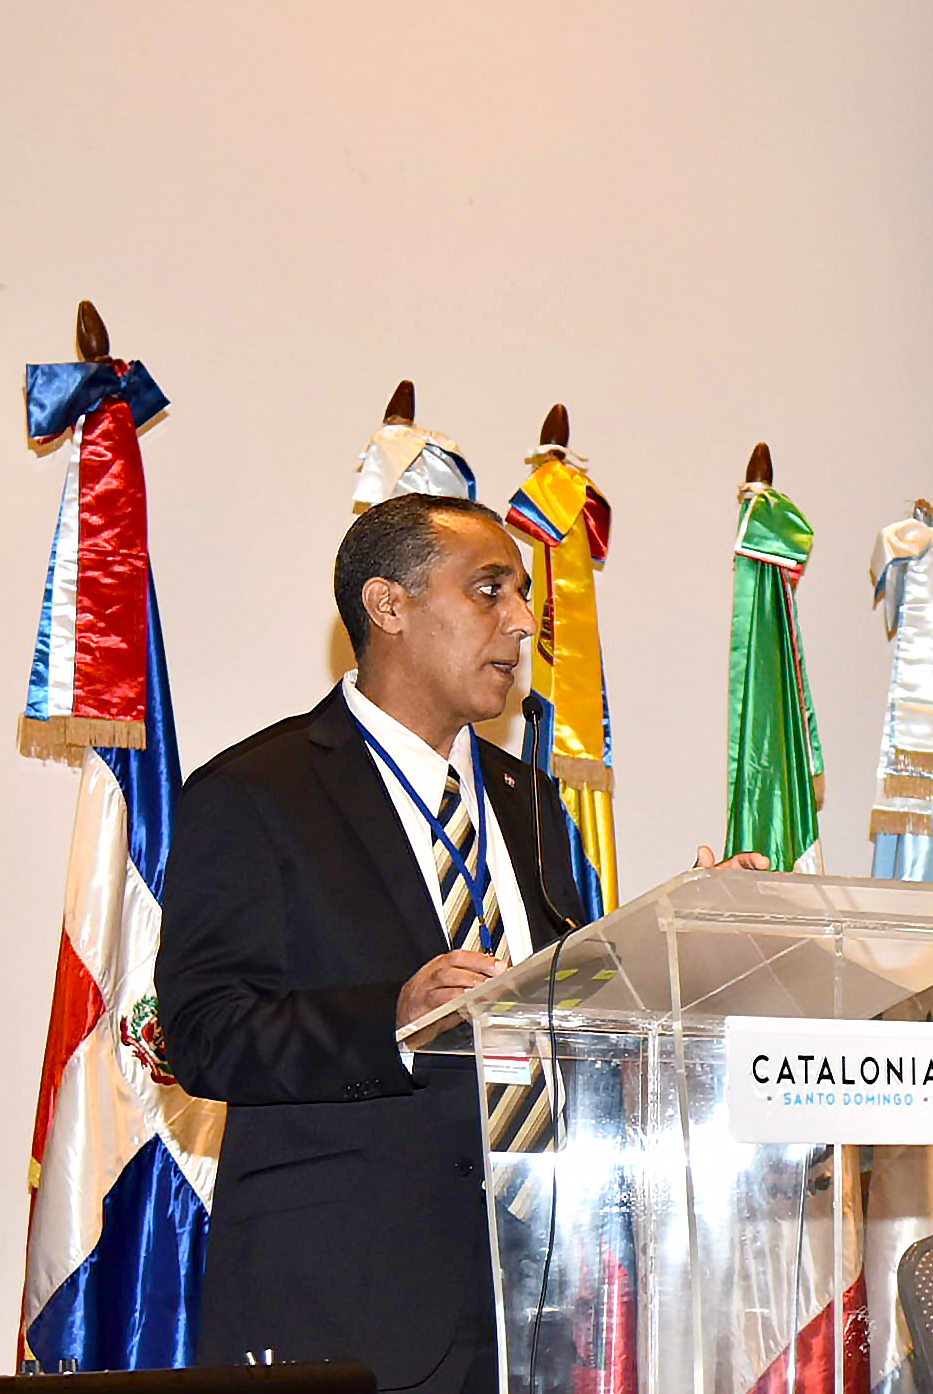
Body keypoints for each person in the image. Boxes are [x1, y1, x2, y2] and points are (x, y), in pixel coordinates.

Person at [157, 495, 759, 1392]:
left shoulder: (528, 799)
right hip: (353, 1309)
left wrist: (692, 938)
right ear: (388, 605)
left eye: (523, 596)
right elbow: (205, 1033)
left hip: (550, 1291)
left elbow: (564, 1004)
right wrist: (391, 1018)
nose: (521, 621)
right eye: (490, 591)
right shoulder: (256, 792)